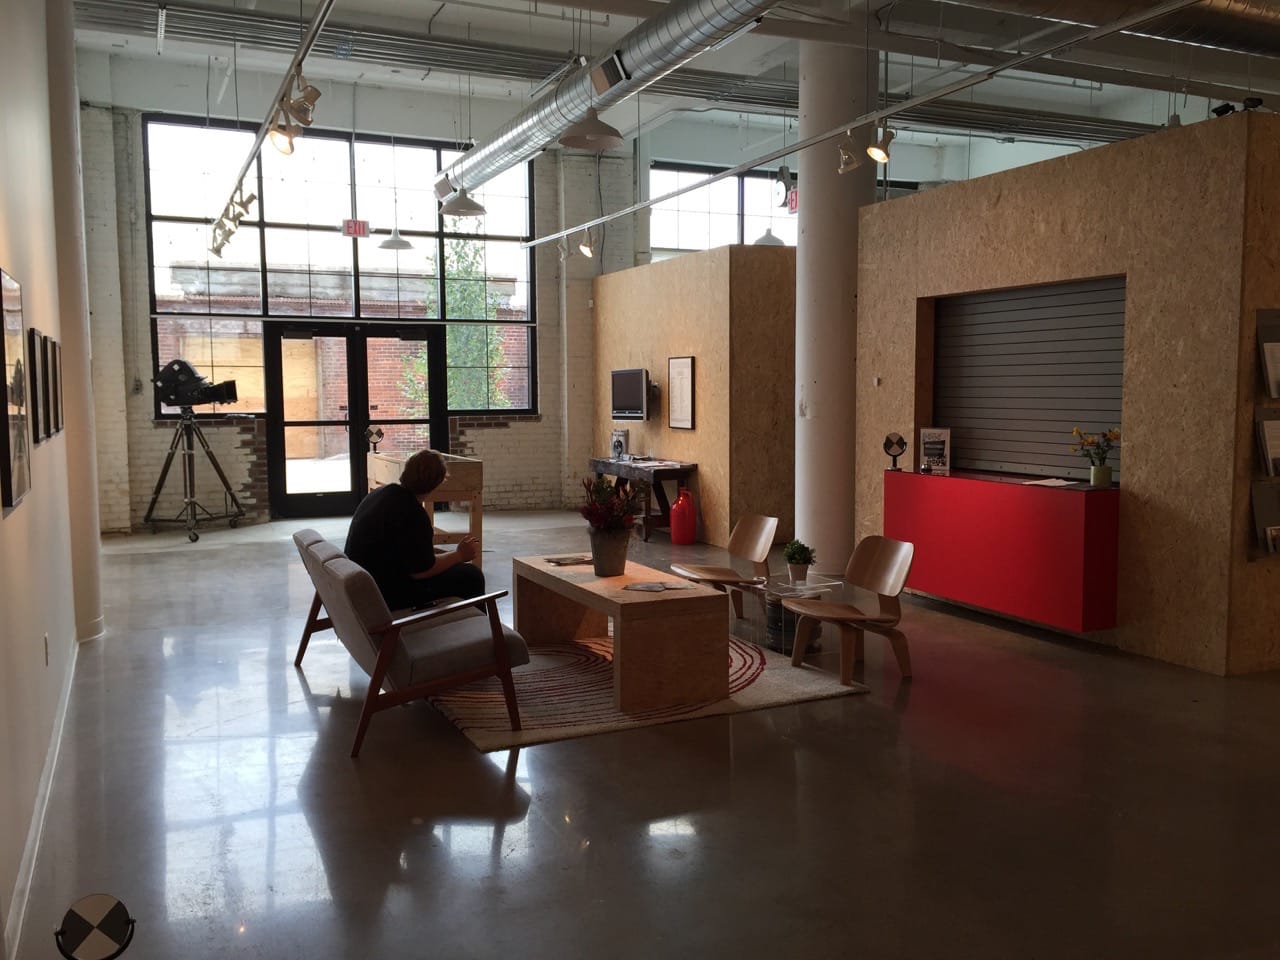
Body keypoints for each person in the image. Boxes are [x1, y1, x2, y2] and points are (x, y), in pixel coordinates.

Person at [344, 449, 484, 610]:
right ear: (437, 482)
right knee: (472, 577)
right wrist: (459, 555)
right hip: (387, 593)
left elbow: (409, 553)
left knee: (460, 571)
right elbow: (421, 571)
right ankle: (479, 630)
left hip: (365, 583)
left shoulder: (381, 493)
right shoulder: (413, 514)